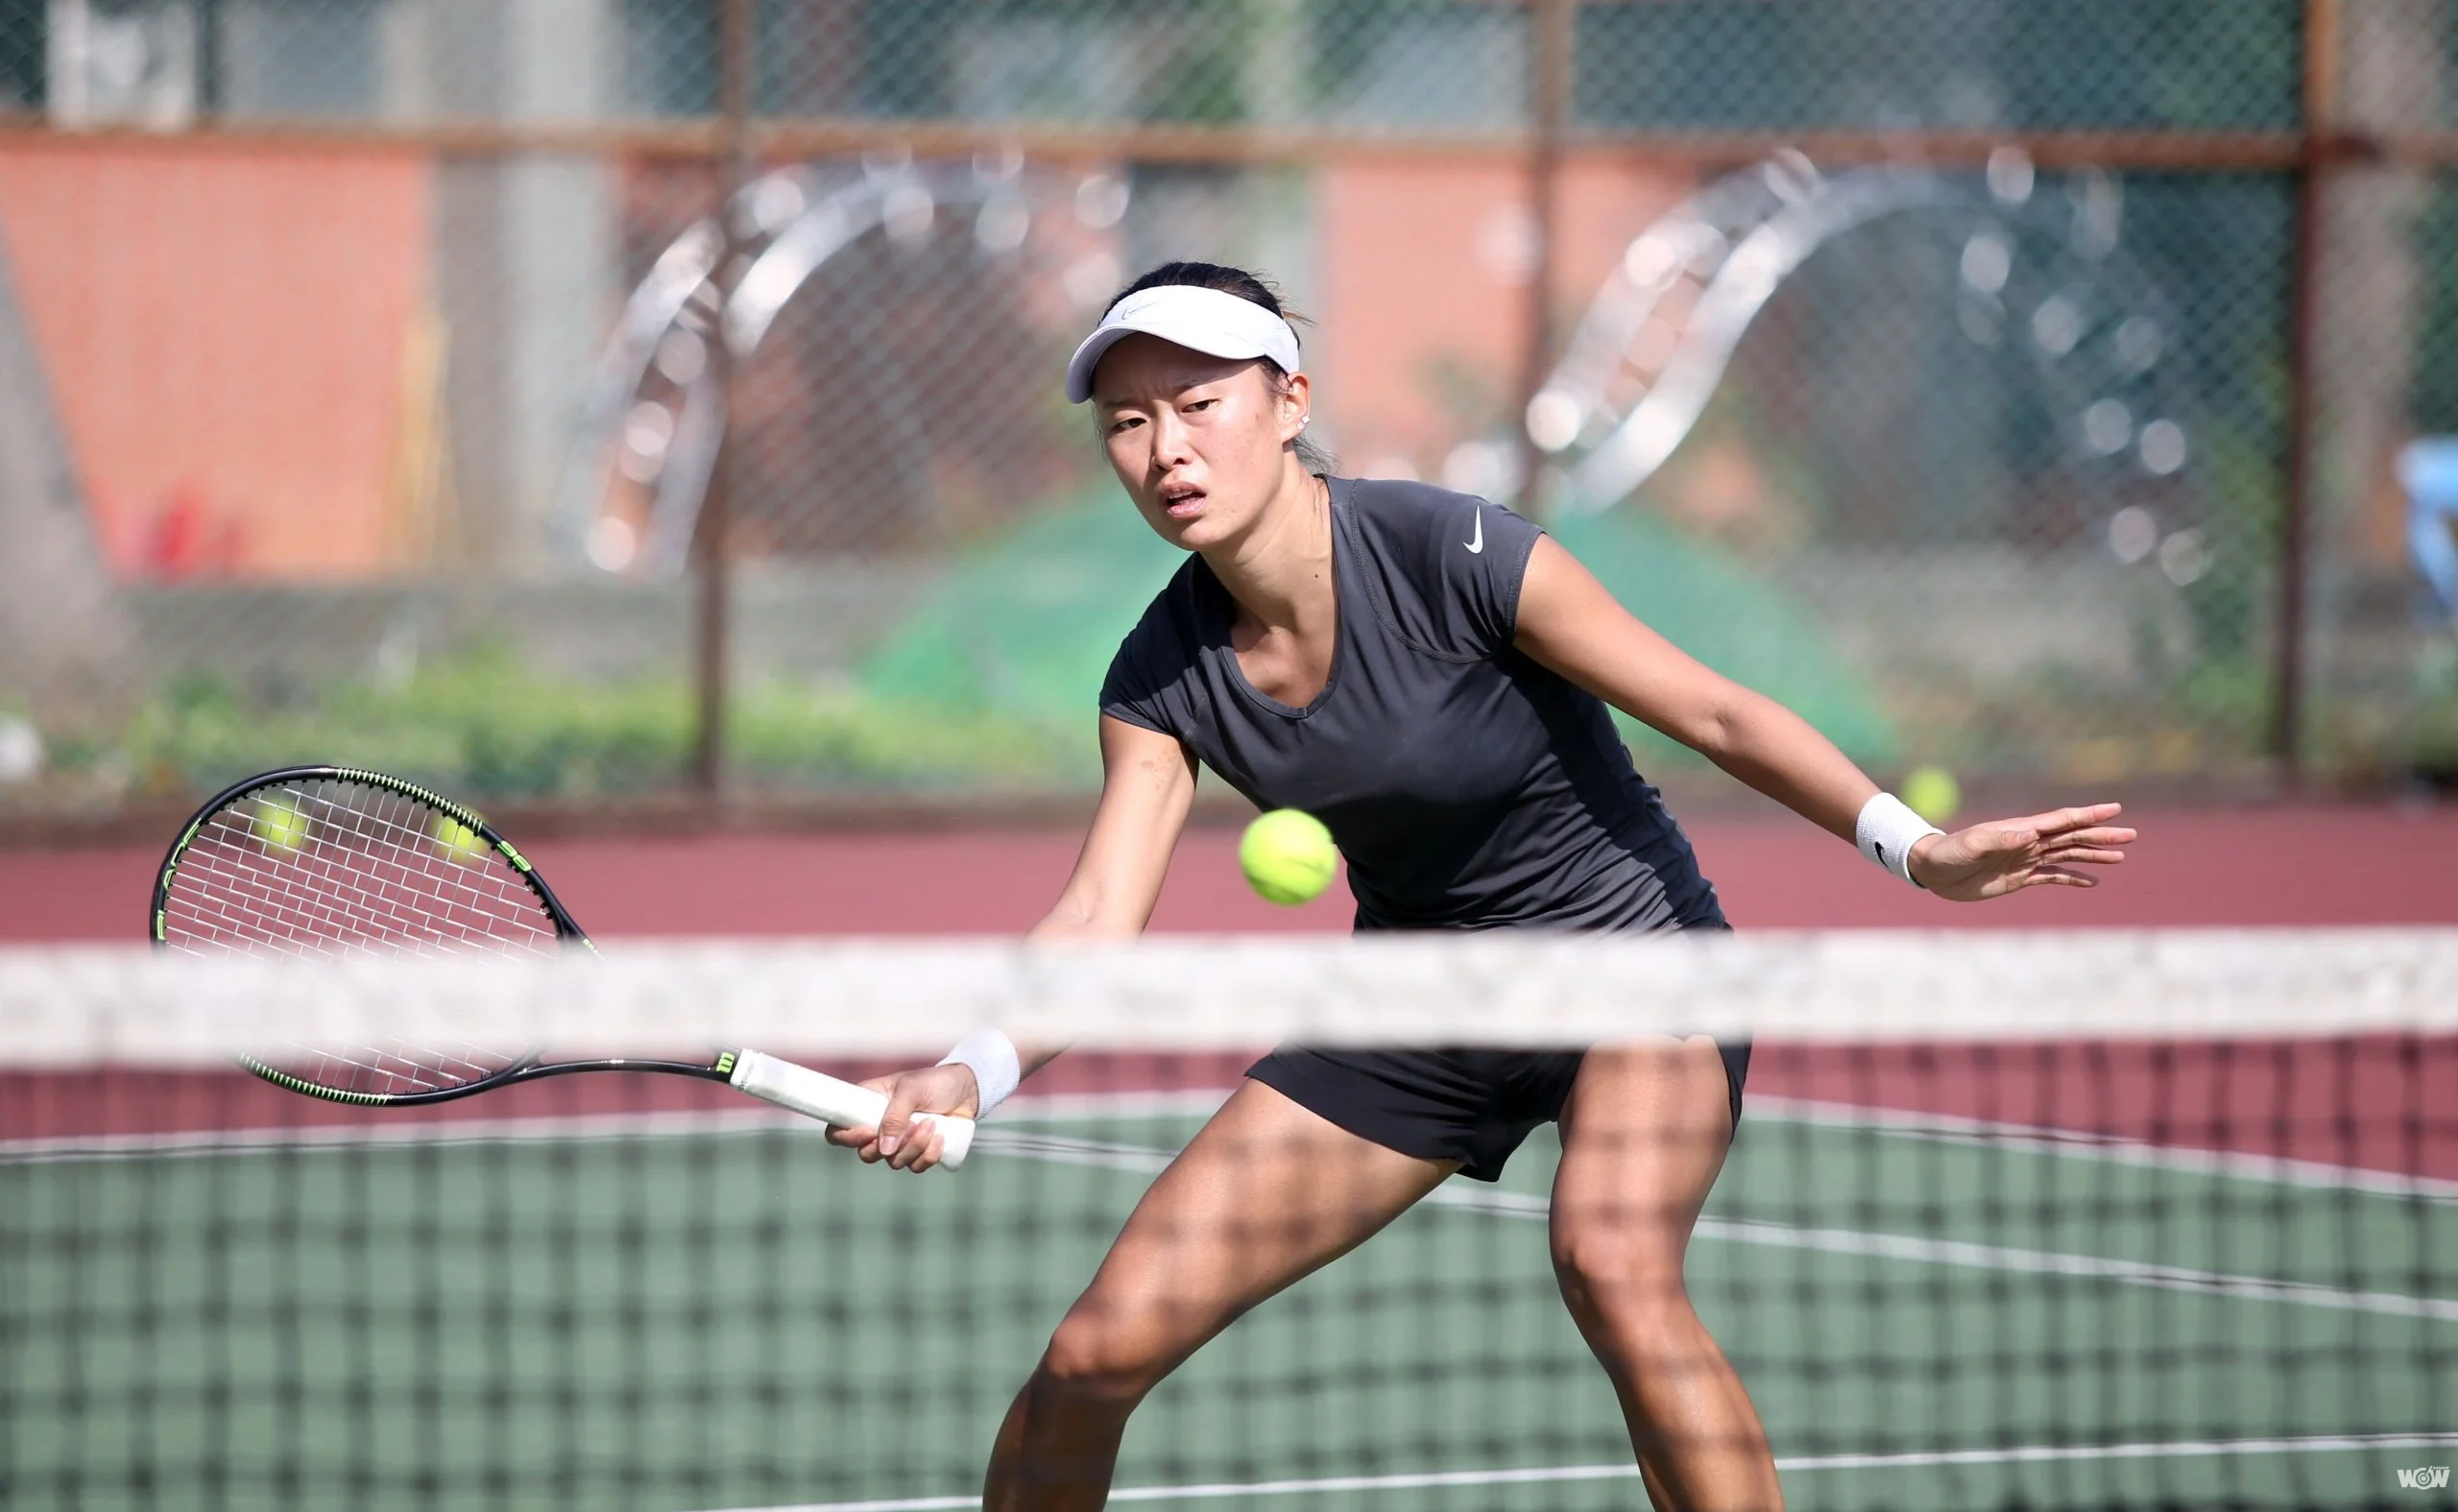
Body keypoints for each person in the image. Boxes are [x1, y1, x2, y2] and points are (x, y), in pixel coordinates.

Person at [829, 262, 2136, 1511]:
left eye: (1200, 403)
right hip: (1424, 1006)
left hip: (1637, 965)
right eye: (1128, 421)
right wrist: (972, 1069)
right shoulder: (1160, 677)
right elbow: (1097, 918)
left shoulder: (1452, 551)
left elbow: (1712, 711)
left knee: (1611, 1263)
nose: (1167, 448)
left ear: (1290, 401)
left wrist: (1916, 848)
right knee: (1090, 1357)